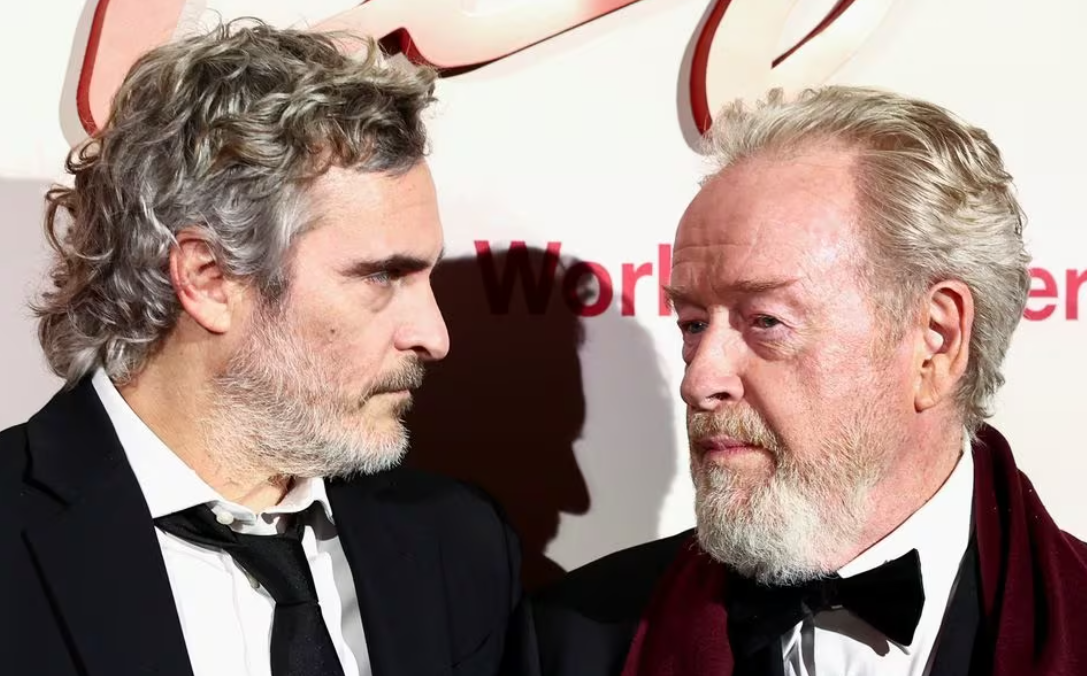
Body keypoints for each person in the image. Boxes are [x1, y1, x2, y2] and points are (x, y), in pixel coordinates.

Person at [0, 20, 522, 676]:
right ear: (209, 279)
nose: (435, 336)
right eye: (381, 276)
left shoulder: (457, 546)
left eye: (426, 274)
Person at [515, 86, 1087, 675]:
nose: (700, 379)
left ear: (934, 341)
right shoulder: (572, 639)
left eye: (766, 320)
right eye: (691, 324)